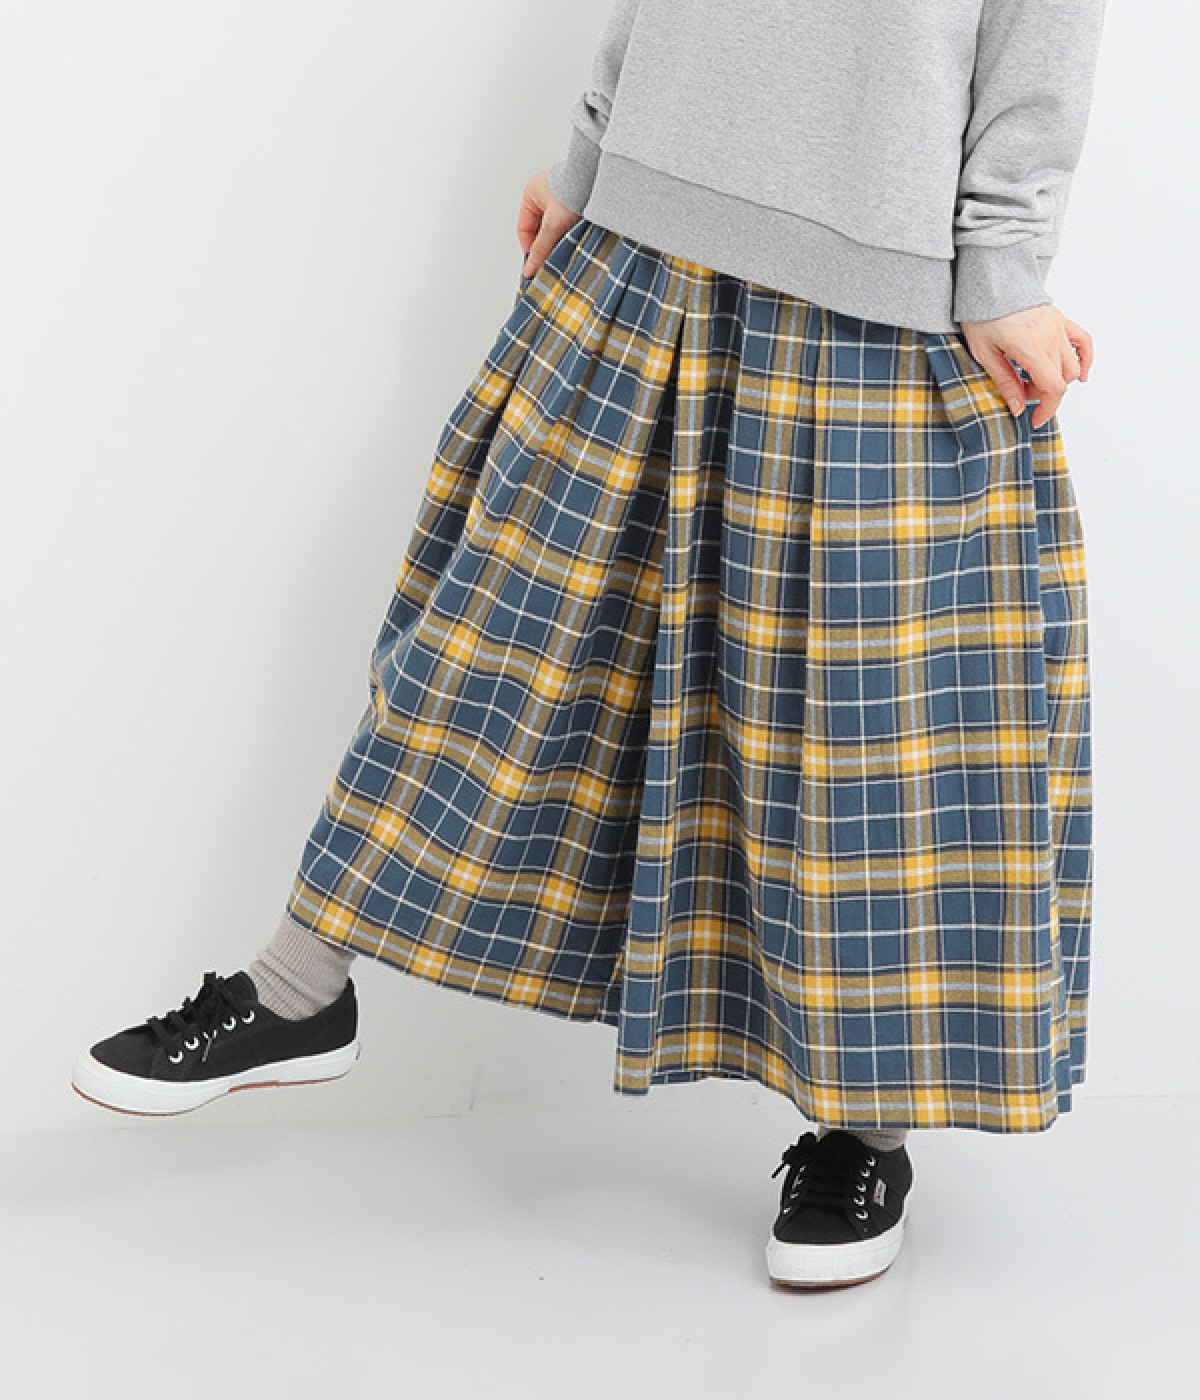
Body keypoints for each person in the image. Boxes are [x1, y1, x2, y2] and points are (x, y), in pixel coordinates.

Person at [71, 0, 1107, 1291]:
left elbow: (1041, 40)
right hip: (641, 237)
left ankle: (864, 1133)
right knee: (487, 638)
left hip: (877, 301)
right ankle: (300, 988)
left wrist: (1004, 265)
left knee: (858, 741)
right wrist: (591, 151)